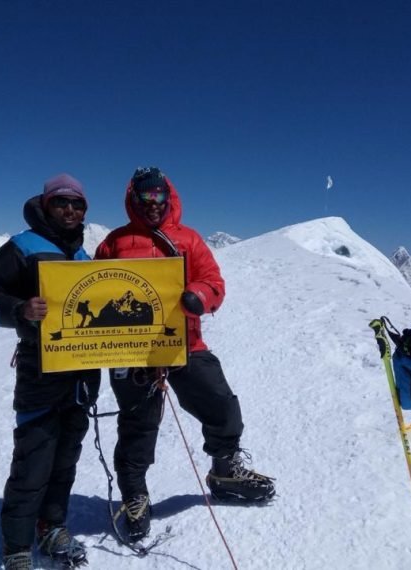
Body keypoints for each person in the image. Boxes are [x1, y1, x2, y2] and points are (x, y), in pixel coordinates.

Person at [94, 166, 275, 543]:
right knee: (137, 424)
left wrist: (199, 297)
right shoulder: (114, 242)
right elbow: (95, 288)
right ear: (134, 198)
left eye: (159, 196)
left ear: (168, 196)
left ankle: (225, 471)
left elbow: (214, 282)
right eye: (146, 197)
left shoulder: (188, 240)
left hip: (184, 344)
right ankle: (135, 495)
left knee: (220, 403)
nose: (153, 204)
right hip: (130, 350)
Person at [0, 173, 100, 570]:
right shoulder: (22, 247)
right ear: (46, 205)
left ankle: (53, 525)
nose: (70, 210)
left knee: (65, 460)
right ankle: (17, 548)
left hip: (80, 374)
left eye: (77, 205)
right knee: (33, 461)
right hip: (40, 372)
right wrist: (20, 311)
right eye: (62, 202)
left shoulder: (82, 256)